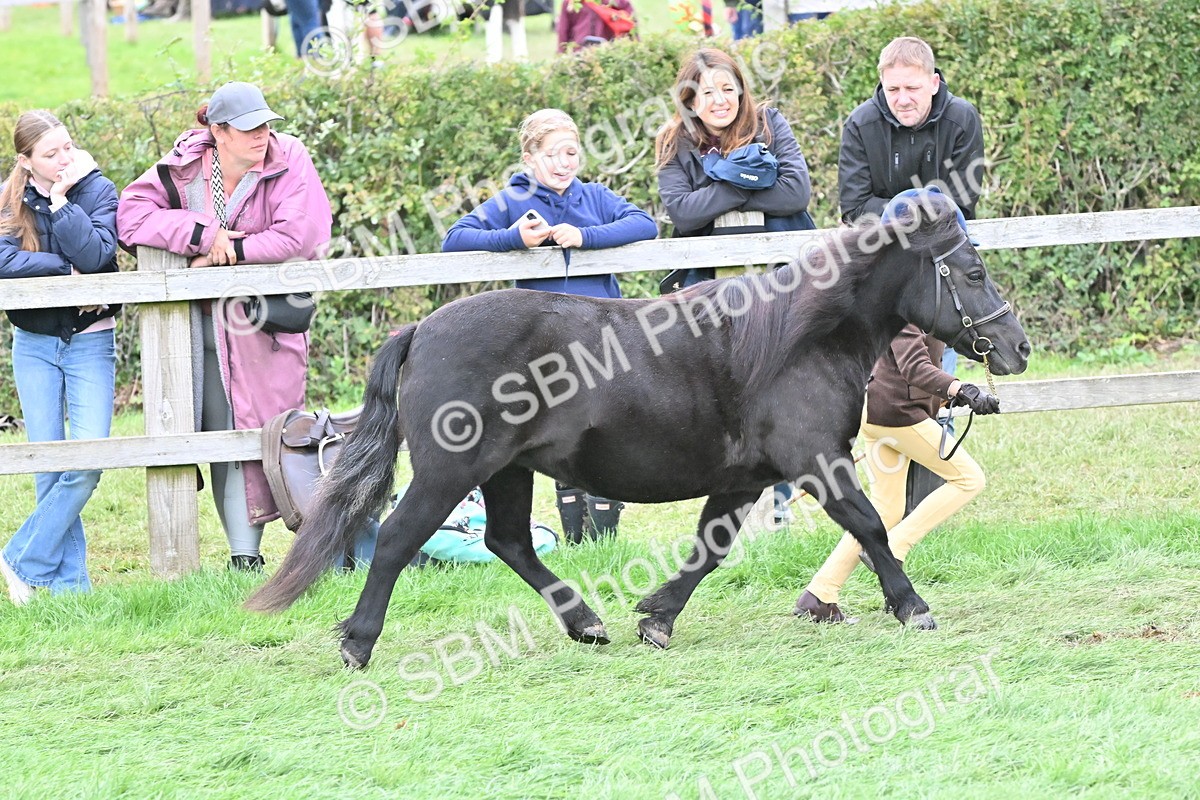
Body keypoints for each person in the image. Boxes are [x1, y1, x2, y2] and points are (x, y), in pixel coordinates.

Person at [118, 82, 334, 571]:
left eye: (265, 125)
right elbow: (131, 216)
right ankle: (244, 558)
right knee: (223, 439)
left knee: (275, 435)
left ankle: (321, 542)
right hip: (203, 333)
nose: (262, 135)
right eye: (248, 128)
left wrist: (232, 252)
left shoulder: (289, 156)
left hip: (265, 329)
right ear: (217, 131)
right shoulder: (186, 165)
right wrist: (202, 235)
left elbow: (304, 235)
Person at [442, 107, 657, 541]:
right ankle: (578, 541)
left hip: (604, 336)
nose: (564, 164)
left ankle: (604, 543)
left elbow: (645, 224)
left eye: (571, 153)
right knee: (563, 431)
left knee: (608, 429)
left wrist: (586, 236)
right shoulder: (513, 202)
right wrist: (514, 239)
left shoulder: (594, 196)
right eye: (553, 155)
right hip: (547, 342)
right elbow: (455, 238)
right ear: (529, 158)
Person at [794, 190, 1001, 623]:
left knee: (883, 509)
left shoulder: (909, 292)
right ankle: (896, 550)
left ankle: (819, 594)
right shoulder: (905, 301)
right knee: (969, 479)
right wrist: (961, 389)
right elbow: (913, 367)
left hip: (884, 416)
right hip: (897, 415)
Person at [654, 46, 814, 524]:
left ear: (742, 89)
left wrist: (721, 184)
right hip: (710, 298)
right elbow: (682, 212)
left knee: (783, 387)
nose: (720, 100)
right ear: (690, 97)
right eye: (707, 92)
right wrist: (744, 178)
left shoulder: (769, 123)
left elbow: (796, 192)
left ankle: (780, 501)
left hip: (779, 288)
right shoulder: (673, 143)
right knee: (722, 394)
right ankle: (729, 503)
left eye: (729, 88)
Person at [0, 111, 120, 604]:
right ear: (25, 161)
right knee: (48, 464)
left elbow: (97, 257)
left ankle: (19, 558)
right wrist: (62, 269)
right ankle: (69, 589)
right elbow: (3, 261)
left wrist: (61, 202)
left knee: (88, 459)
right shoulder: (8, 200)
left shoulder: (99, 191)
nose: (64, 158)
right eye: (50, 154)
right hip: (35, 344)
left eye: (68, 147)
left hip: (91, 339)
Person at [838, 35, 984, 224]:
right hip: (880, 245)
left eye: (912, 88)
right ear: (882, 83)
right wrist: (915, 213)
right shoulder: (860, 124)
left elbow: (961, 205)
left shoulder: (962, 119)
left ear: (934, 83)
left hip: (946, 242)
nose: (903, 100)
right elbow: (854, 208)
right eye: (892, 90)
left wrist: (897, 212)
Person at [557, 0, 636, 53]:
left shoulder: (619, 2)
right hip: (581, 54)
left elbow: (631, 28)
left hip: (610, 54)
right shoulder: (571, 3)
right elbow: (563, 33)